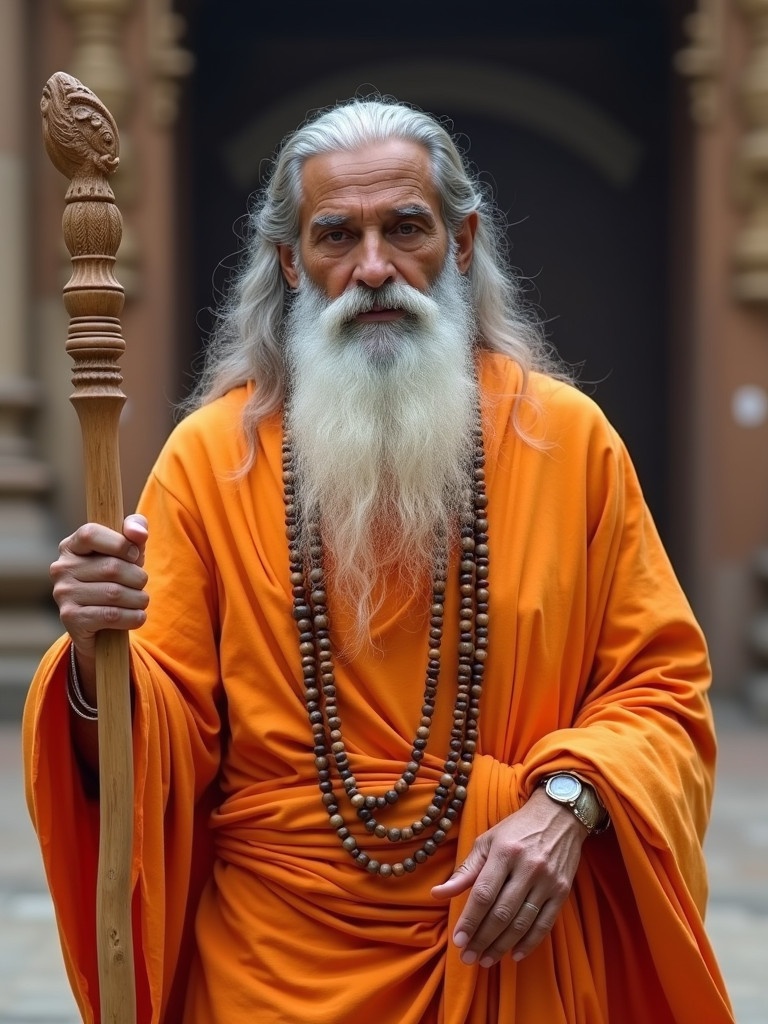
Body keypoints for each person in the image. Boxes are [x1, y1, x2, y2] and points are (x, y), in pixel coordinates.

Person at [24, 94, 734, 1024]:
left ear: (463, 241)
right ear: (290, 261)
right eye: (334, 236)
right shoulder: (210, 460)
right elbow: (151, 741)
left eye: (406, 228)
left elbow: (662, 691)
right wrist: (92, 653)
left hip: (517, 949)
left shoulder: (568, 442)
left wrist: (568, 802)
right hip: (272, 970)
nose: (372, 269)